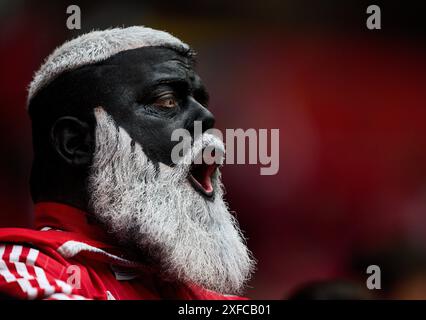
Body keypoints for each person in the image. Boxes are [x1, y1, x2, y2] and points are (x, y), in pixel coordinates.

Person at [0, 26, 255, 300]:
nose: (206, 117)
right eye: (166, 100)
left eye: (201, 100)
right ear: (76, 142)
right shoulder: (18, 268)